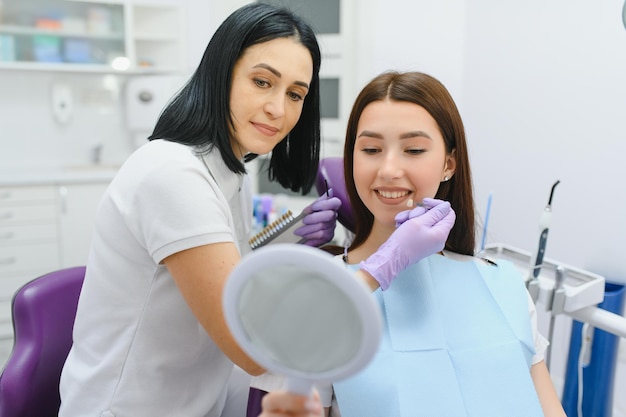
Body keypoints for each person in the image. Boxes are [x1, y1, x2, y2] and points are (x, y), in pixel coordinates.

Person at [58, 3, 343, 416]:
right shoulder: (172, 174)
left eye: (295, 94)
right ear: (220, 72)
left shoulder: (230, 170)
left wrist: (288, 239)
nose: (279, 109)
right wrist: (376, 268)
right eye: (262, 82)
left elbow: (226, 270)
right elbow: (252, 348)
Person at [253, 70, 567, 417]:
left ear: (449, 164)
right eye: (371, 149)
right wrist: (382, 266)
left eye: (414, 149)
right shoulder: (319, 295)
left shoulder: (504, 285)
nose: (389, 169)